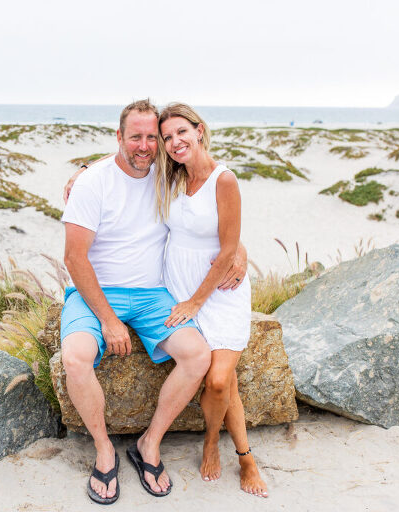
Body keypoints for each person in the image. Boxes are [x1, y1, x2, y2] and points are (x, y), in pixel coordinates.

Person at [60, 100, 248, 504]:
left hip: (151, 294)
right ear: (119, 137)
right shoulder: (93, 182)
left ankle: (149, 443)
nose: (145, 146)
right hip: (96, 291)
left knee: (197, 357)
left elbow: (207, 209)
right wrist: (109, 321)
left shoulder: (166, 173)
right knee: (75, 357)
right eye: (137, 137)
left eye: (152, 137)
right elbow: (74, 258)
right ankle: (105, 450)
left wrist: (239, 249)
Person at [155, 103, 268, 498]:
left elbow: (227, 249)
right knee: (224, 382)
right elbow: (124, 153)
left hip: (218, 291)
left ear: (199, 130)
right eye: (166, 137)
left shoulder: (225, 180)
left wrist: (196, 302)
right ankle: (244, 455)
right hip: (176, 283)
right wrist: (82, 170)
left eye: (181, 132)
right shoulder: (169, 176)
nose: (175, 142)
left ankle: (211, 439)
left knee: (219, 379)